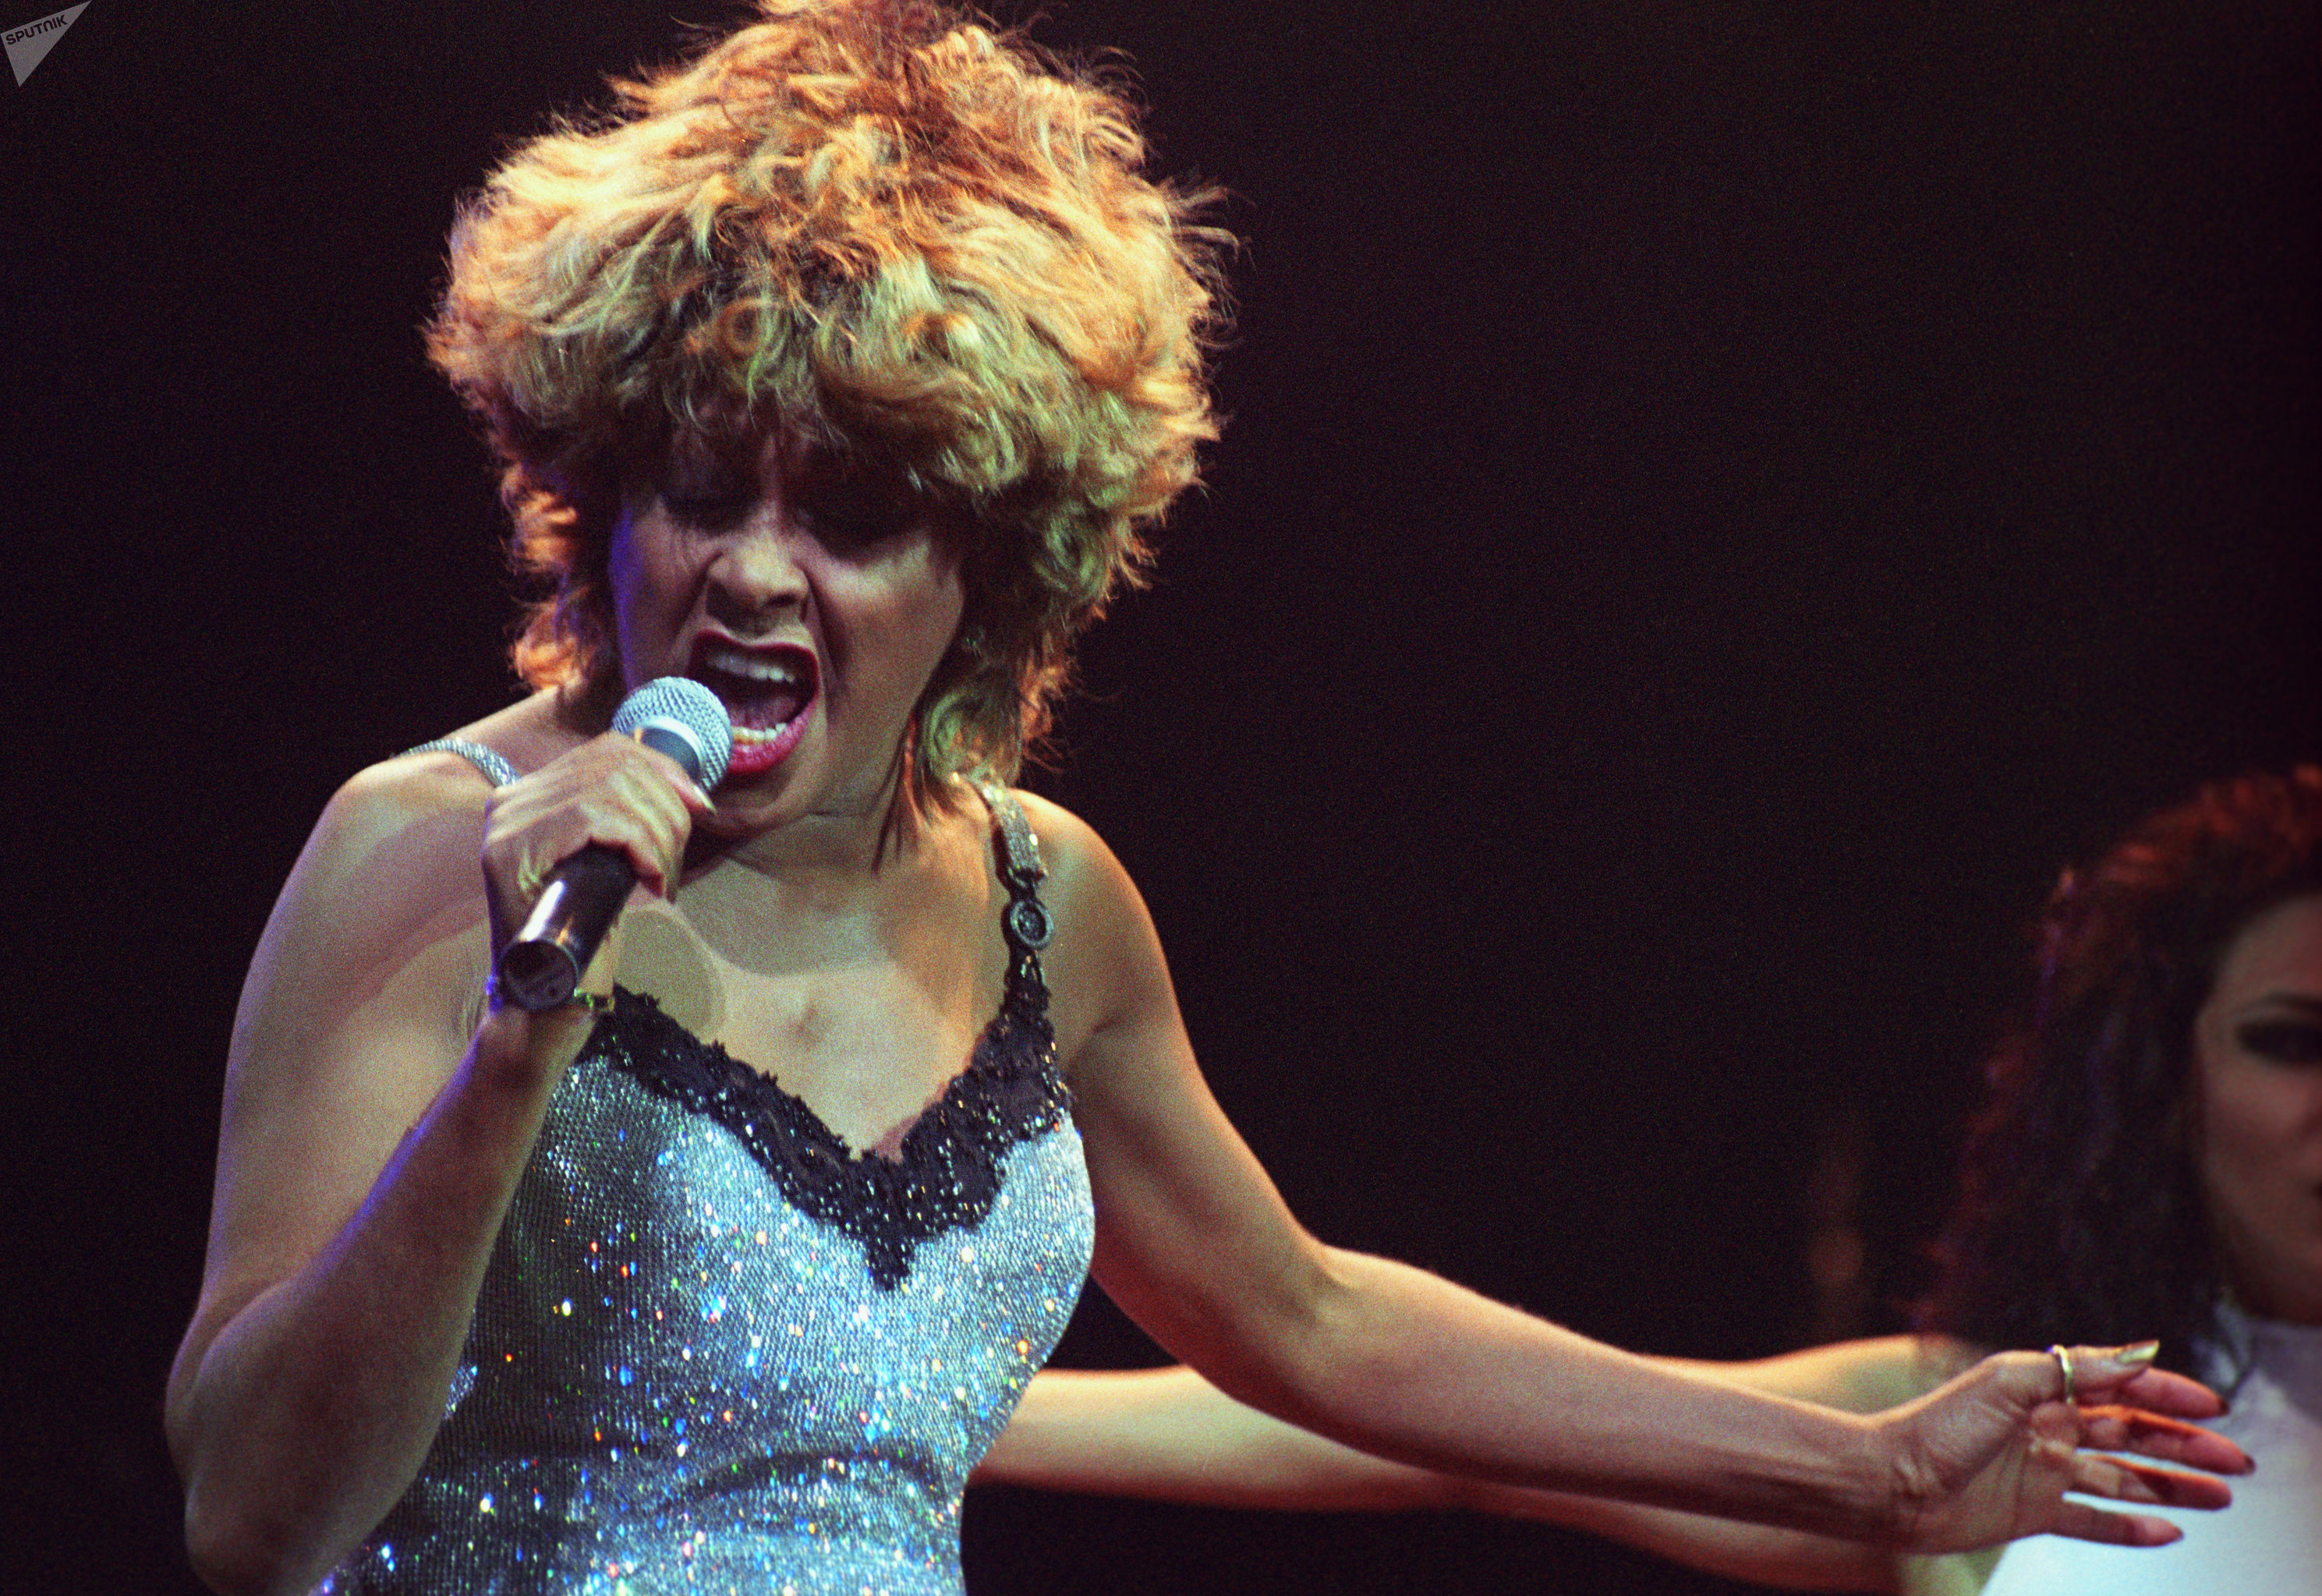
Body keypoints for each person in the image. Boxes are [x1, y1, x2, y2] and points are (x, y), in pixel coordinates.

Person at [161, 5, 2249, 1593]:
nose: (755, 573)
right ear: (599, 495)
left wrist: (1867, 1472)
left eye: (856, 514)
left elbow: (1308, 1319)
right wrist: (515, 1050)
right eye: (701, 493)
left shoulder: (1043, 904)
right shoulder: (428, 850)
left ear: (996, 569)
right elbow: (253, 1523)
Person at [977, 766, 2322, 1594]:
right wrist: (927, 1409)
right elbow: (1431, 1423)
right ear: (2156, 1088)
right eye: (2291, 1043)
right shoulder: (2005, 1439)